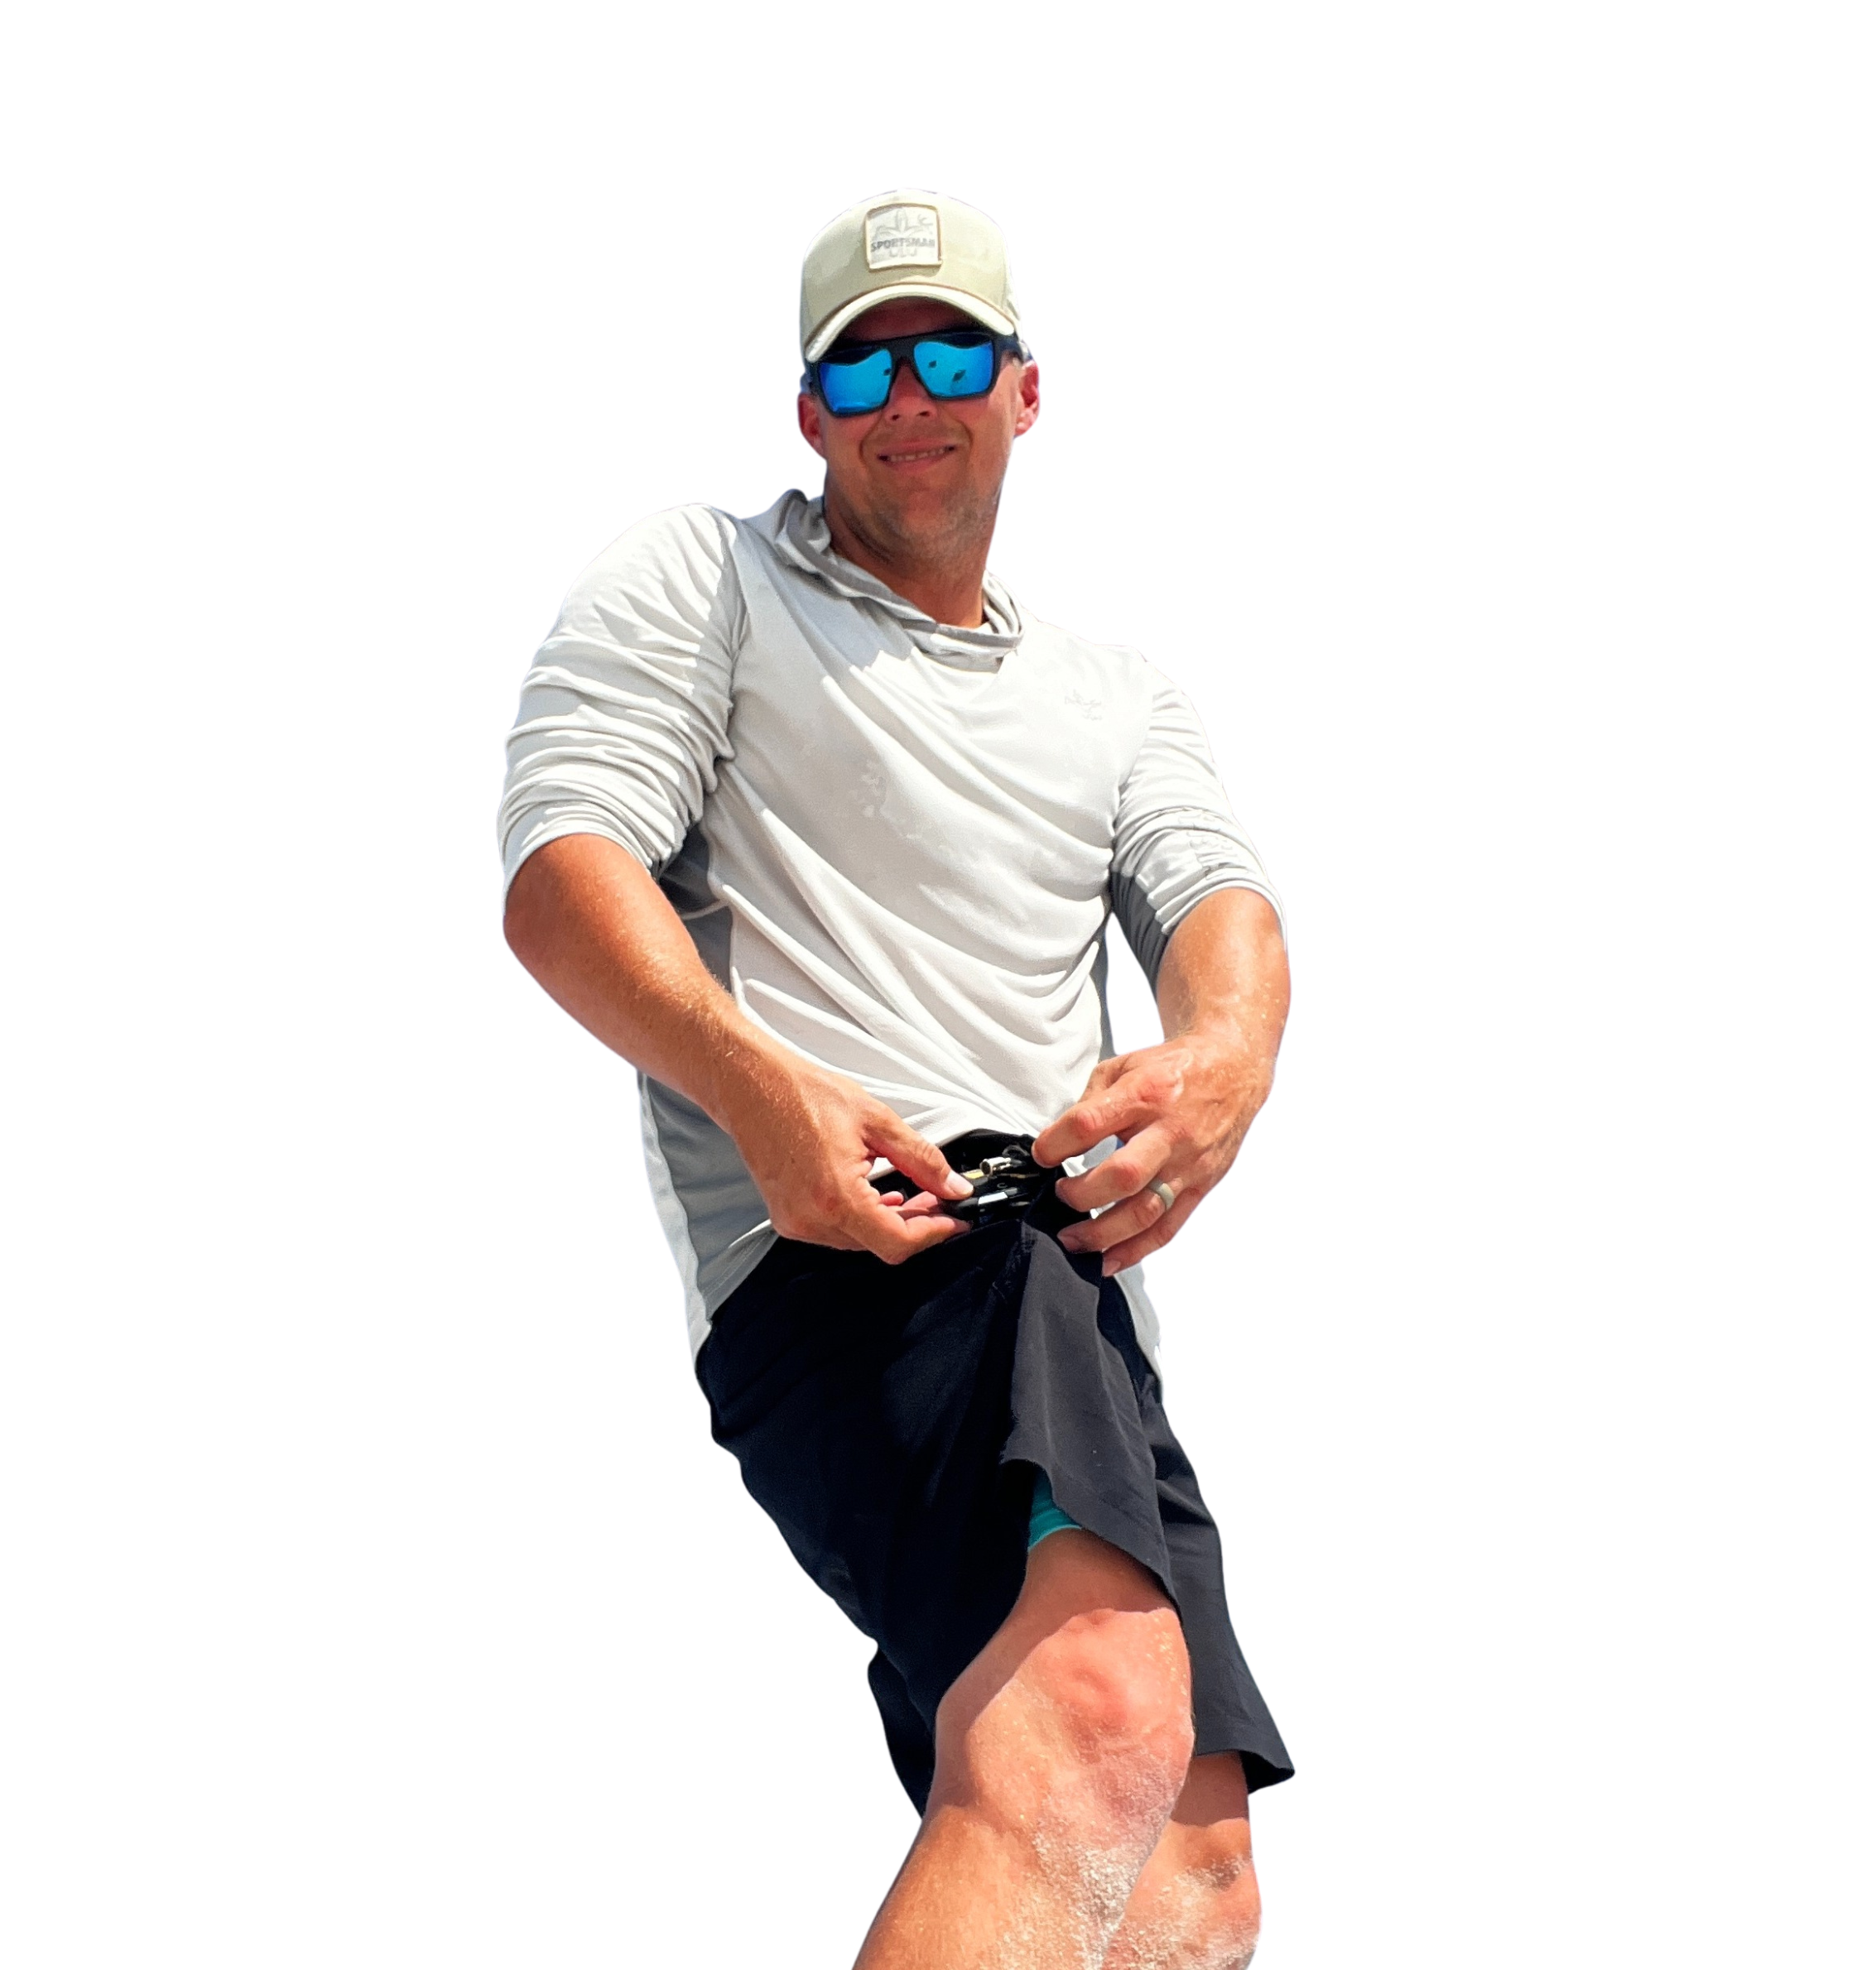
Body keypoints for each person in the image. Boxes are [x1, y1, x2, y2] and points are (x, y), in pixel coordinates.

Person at [499, 189, 1293, 1969]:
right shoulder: (706, 580)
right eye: (858, 367)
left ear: (1022, 394)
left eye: (946, 357)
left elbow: (1219, 904)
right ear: (807, 413)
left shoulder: (1113, 694)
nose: (903, 396)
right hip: (865, 1244)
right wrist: (763, 1092)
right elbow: (563, 878)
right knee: (1091, 1712)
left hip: (1065, 1292)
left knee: (1184, 1874)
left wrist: (1223, 1056)